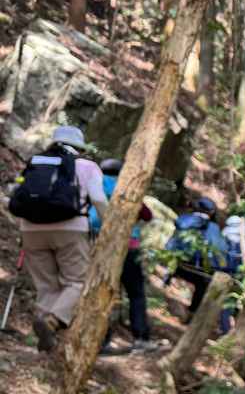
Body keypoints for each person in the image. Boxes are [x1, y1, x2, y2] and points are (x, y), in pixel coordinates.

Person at [7, 126, 109, 352]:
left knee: (46, 286)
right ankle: (52, 322)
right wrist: (109, 224)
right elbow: (99, 200)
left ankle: (45, 344)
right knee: (76, 282)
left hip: (30, 230)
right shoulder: (87, 166)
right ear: (79, 147)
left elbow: (16, 193)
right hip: (70, 229)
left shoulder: (37, 162)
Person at [89, 158, 157, 353]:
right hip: (127, 247)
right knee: (136, 293)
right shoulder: (127, 187)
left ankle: (100, 341)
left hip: (97, 245)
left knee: (101, 291)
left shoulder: (94, 184)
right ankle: (140, 338)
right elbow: (147, 215)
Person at [165, 196, 228, 321]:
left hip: (179, 264)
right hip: (200, 270)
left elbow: (171, 243)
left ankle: (165, 289)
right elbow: (220, 251)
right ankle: (192, 313)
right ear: (211, 212)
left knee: (171, 273)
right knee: (202, 286)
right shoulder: (213, 228)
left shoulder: (183, 220)